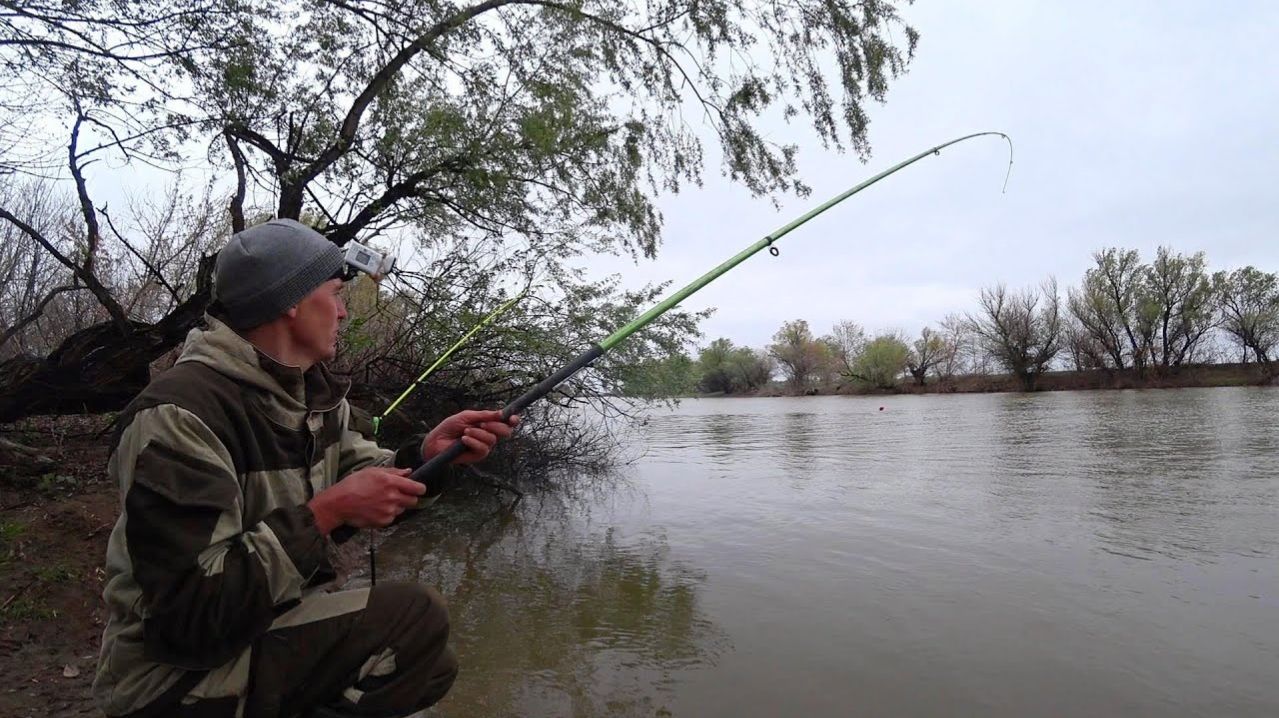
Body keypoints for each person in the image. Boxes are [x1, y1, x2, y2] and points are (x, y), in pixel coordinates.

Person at [93, 218, 518, 718]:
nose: (341, 312)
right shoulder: (179, 415)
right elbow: (189, 614)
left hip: (261, 625)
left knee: (432, 665)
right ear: (291, 302)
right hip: (172, 675)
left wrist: (430, 457)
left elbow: (373, 479)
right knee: (413, 618)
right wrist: (325, 513)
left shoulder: (310, 395)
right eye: (335, 294)